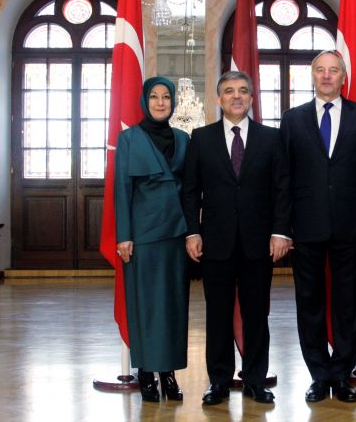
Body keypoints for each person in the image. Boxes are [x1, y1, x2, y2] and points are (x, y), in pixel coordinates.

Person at [182, 70, 292, 406]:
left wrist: (280, 232)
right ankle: (218, 381)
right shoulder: (201, 138)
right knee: (217, 314)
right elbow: (190, 191)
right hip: (215, 242)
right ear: (218, 99)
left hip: (259, 242)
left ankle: (255, 380)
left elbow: (282, 189)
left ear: (252, 98)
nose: (236, 96)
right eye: (229, 91)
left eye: (243, 90)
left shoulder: (271, 138)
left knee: (256, 313)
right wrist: (192, 231)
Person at [279, 50, 356, 403]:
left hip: (350, 223)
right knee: (309, 301)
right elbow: (284, 177)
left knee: (347, 303)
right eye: (320, 70)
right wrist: (283, 227)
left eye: (333, 70)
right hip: (305, 224)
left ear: (343, 77)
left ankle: (341, 374)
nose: (326, 75)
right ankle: (319, 375)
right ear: (312, 76)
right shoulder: (292, 119)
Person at [114, 76, 190, 403]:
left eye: (166, 97)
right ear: (145, 102)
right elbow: (122, 189)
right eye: (154, 97)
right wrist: (124, 236)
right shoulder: (129, 138)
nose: (161, 102)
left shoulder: (184, 139)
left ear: (173, 102)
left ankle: (168, 373)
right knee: (145, 305)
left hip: (176, 234)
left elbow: (191, 190)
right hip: (142, 237)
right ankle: (145, 371)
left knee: (173, 305)